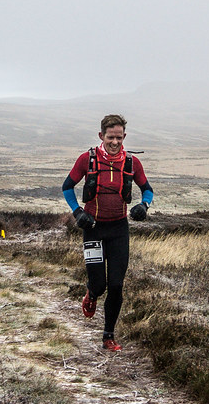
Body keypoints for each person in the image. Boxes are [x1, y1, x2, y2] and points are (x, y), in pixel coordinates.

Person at [62, 114, 153, 352]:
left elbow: (147, 189)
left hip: (119, 230)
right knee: (100, 285)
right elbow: (67, 186)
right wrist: (77, 212)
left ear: (125, 137)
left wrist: (144, 206)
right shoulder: (87, 159)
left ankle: (108, 336)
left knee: (116, 286)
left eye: (119, 137)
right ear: (101, 136)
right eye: (111, 137)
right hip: (92, 228)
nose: (115, 142)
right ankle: (91, 294)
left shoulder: (132, 163)